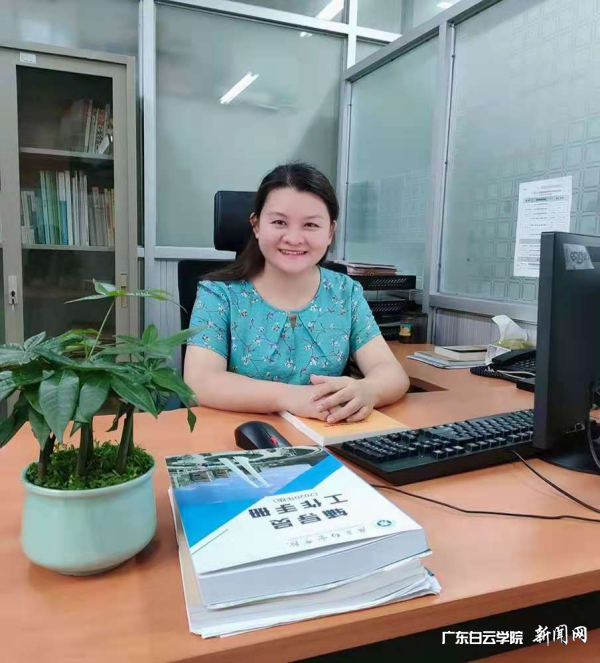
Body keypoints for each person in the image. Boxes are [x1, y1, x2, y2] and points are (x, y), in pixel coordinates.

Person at [184, 163, 409, 423]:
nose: (294, 238)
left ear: (330, 232)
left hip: (326, 435)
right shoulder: (218, 294)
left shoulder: (345, 292)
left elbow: (392, 373)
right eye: (279, 222)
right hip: (241, 434)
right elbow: (200, 382)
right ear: (256, 225)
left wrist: (368, 390)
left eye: (310, 225)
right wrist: (292, 397)